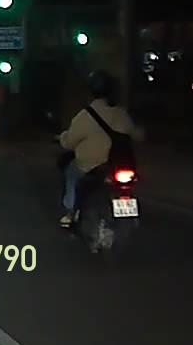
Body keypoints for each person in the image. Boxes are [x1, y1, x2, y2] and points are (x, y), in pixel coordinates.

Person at [55, 70, 145, 228]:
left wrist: (61, 138)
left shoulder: (84, 116)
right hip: (118, 165)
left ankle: (71, 212)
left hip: (90, 166)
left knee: (71, 172)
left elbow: (69, 142)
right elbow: (137, 134)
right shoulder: (121, 114)